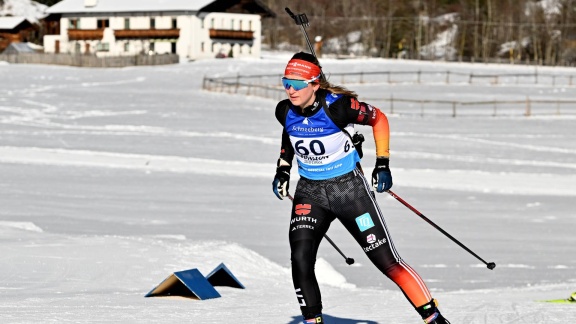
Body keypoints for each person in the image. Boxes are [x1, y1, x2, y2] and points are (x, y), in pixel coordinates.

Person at [272, 52, 450, 324]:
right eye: (286, 82)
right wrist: (283, 169)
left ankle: (433, 317)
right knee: (300, 258)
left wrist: (383, 164)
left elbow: (379, 119)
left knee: (387, 263)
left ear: (315, 84)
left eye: (297, 84)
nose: (290, 90)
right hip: (310, 192)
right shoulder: (284, 110)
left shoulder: (340, 107)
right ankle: (312, 320)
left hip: (349, 191)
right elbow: (290, 134)